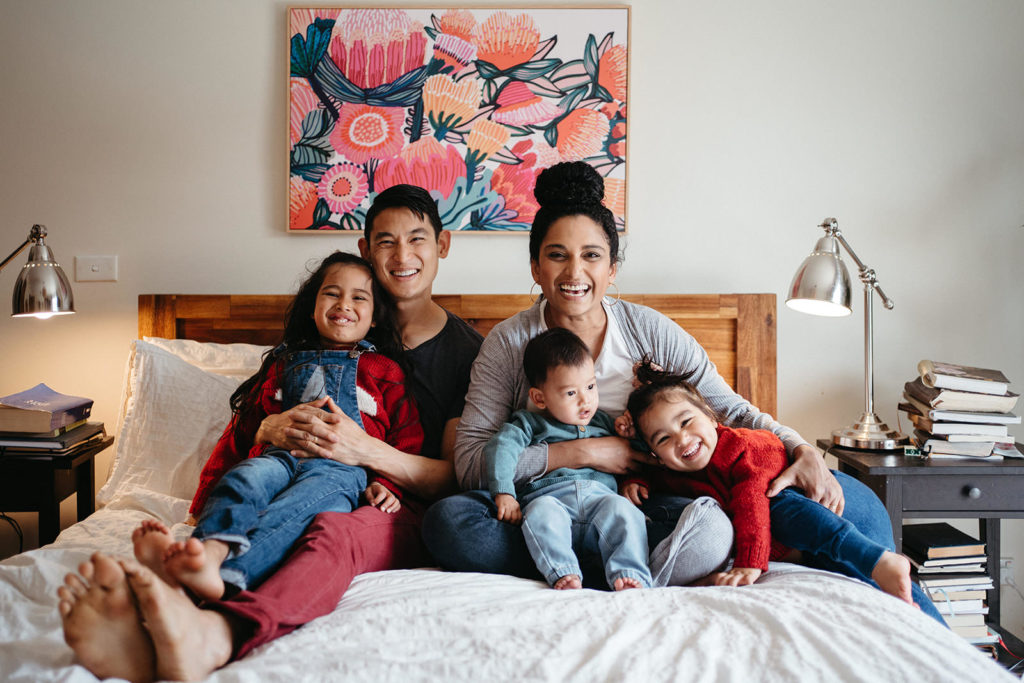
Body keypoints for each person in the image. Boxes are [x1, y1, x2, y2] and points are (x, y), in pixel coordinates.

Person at [57, 184, 484, 681]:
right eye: (386, 241)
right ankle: (173, 595)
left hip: (393, 507)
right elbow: (240, 442)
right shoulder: (298, 356)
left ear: (443, 245)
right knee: (262, 493)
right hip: (288, 471)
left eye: (417, 239)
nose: (402, 255)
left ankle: (217, 633)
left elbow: (460, 478)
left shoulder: (471, 355)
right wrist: (267, 427)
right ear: (366, 250)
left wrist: (367, 453)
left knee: (330, 529)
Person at [420, 160, 907, 593]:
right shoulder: (507, 343)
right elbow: (470, 462)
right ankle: (610, 565)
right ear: (535, 266)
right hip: (546, 508)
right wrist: (583, 452)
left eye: (592, 255)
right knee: (451, 522)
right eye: (557, 254)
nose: (575, 271)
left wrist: (801, 449)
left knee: (858, 506)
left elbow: (731, 410)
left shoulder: (648, 329)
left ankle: (614, 562)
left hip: (653, 505)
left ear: (612, 268)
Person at [132, 251, 422, 601]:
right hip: (278, 458)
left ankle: (218, 580)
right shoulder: (283, 364)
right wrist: (204, 498)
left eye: (359, 297)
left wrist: (388, 483)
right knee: (243, 478)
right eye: (331, 293)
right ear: (313, 306)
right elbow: (239, 435)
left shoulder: (384, 371)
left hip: (340, 473)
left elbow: (407, 438)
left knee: (303, 507)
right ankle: (208, 552)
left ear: (375, 317)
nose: (343, 303)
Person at [619, 359, 930, 614]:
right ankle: (930, 627)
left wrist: (749, 565)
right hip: (811, 542)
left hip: (844, 505)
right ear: (655, 455)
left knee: (775, 503)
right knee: (895, 601)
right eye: (663, 438)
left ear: (712, 417)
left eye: (686, 421)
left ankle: (880, 560)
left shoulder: (746, 448)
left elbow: (750, 502)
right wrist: (637, 480)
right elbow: (661, 479)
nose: (682, 439)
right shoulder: (677, 469)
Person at [487, 328, 651, 590]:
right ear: (539, 398)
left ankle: (628, 573)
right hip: (550, 499)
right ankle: (563, 571)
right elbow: (500, 448)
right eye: (571, 393)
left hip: (601, 500)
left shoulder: (605, 423)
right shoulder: (530, 424)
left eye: (590, 386)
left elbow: (643, 453)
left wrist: (632, 463)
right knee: (541, 515)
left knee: (626, 512)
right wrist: (503, 492)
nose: (586, 400)